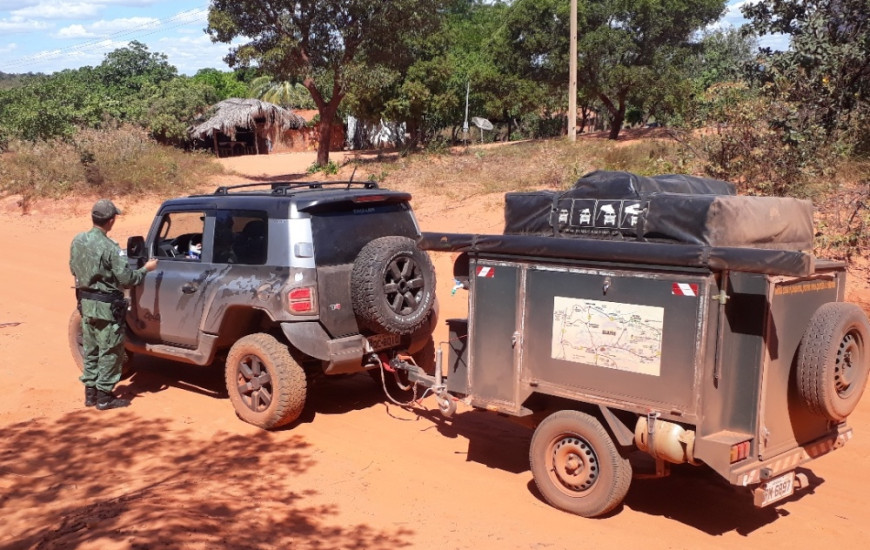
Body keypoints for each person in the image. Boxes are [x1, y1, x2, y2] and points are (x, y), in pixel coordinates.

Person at [69, 199, 158, 410]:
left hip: (86, 304)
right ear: (110, 221)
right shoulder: (110, 248)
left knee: (91, 349)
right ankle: (104, 397)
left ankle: (90, 394)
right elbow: (127, 279)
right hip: (107, 308)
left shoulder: (78, 240)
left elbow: (73, 269)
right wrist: (146, 269)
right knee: (110, 351)